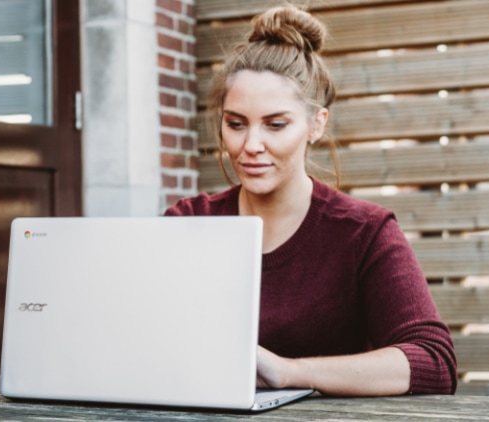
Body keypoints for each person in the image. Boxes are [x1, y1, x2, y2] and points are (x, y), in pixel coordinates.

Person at [164, 4, 456, 396]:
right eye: (236, 124)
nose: (251, 145)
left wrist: (288, 372)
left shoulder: (364, 232)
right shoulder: (188, 222)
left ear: (316, 125)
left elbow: (434, 362)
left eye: (276, 124)